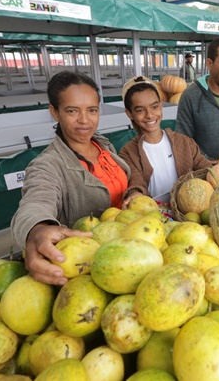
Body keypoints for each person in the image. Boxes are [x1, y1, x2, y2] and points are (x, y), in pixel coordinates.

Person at [11, 71, 130, 285]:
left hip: (125, 251)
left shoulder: (104, 145)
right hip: (85, 265)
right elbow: (36, 201)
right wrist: (37, 229)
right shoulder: (48, 164)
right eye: (72, 111)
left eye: (92, 110)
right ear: (55, 112)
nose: (84, 120)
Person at [118, 76, 213, 204]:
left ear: (161, 106)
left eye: (154, 107)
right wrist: (135, 193)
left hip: (190, 210)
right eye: (140, 110)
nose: (150, 115)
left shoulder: (184, 142)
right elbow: (136, 182)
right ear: (129, 114)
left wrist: (218, 170)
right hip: (156, 216)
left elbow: (203, 167)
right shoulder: (128, 153)